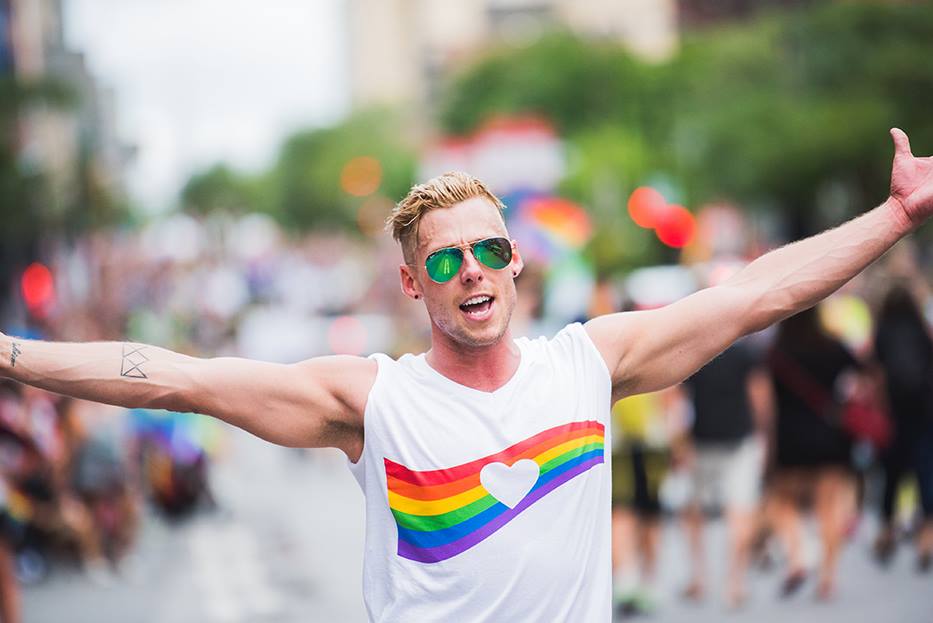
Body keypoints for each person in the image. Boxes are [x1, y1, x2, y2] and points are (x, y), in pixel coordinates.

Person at [0, 129, 930, 621]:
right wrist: (8, 353)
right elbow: (173, 378)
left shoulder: (587, 364)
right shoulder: (373, 401)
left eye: (487, 249)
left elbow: (756, 294)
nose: (472, 271)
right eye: (444, 260)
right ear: (412, 282)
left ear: (515, 258)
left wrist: (893, 217)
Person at [765, 307, 862, 600]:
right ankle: (827, 577)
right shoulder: (833, 346)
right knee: (828, 507)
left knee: (781, 502)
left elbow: (767, 401)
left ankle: (798, 555)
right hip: (830, 435)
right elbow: (863, 377)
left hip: (790, 437)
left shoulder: (777, 350)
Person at [680, 339, 770, 608]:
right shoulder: (746, 352)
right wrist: (765, 433)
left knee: (693, 511)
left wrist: (679, 443)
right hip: (739, 441)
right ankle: (735, 581)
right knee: (740, 511)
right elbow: (760, 397)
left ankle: (699, 576)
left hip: (701, 441)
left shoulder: (693, 352)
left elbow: (677, 399)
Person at [872, 285, 933, 571]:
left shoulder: (883, 332)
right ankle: (927, 538)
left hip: (893, 414)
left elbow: (876, 374)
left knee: (891, 474)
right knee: (926, 472)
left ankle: (886, 530)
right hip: (924, 413)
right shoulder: (922, 332)